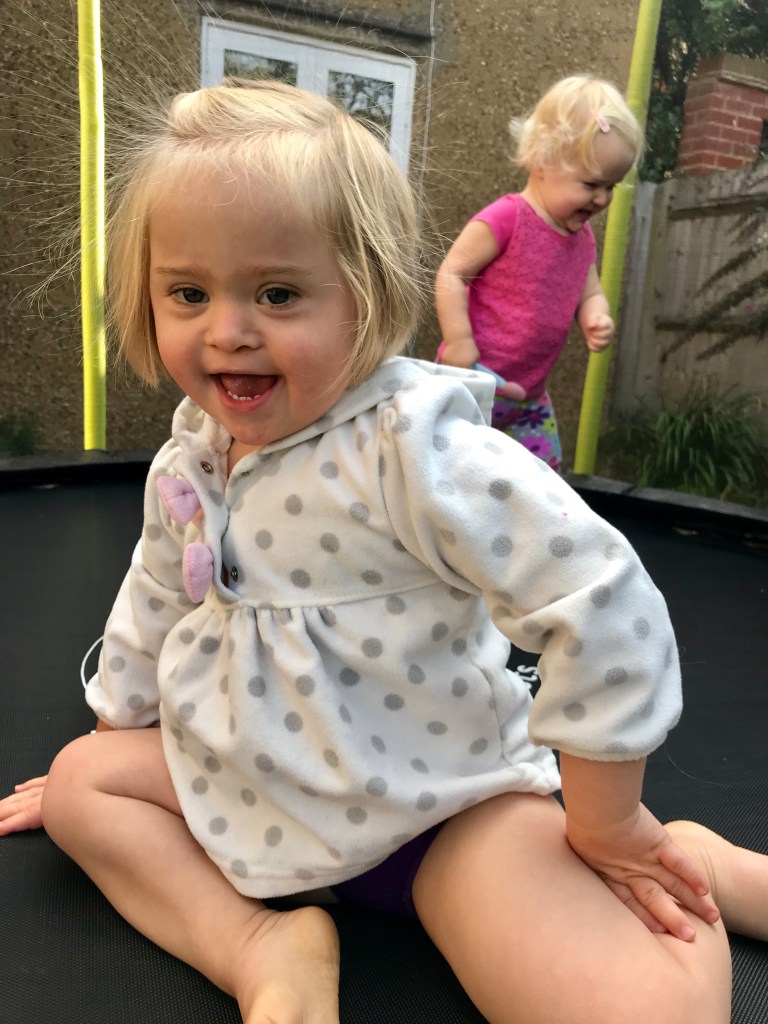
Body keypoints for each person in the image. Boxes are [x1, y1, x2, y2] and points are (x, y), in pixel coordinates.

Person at [1, 79, 767, 1024]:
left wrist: (604, 821)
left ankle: (697, 862)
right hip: (250, 780)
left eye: (278, 293)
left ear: (364, 295)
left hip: (442, 815)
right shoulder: (191, 454)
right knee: (79, 788)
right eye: (189, 293)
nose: (228, 330)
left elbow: (603, 595)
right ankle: (261, 946)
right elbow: (156, 592)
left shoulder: (413, 448)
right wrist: (114, 733)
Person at [434, 75, 644, 471]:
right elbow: (452, 273)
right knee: (454, 472)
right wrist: (458, 340)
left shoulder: (582, 240)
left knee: (544, 479)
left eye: (611, 187)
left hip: (529, 401)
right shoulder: (508, 218)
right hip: (472, 381)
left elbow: (589, 292)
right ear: (541, 160)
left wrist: (596, 317)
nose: (602, 199)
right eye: (591, 184)